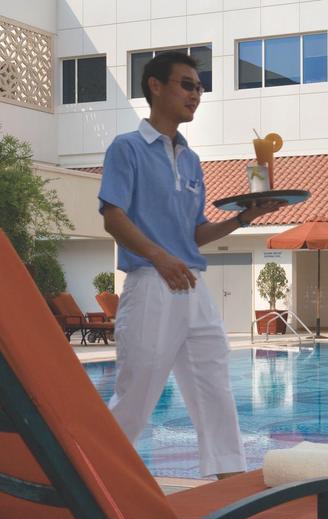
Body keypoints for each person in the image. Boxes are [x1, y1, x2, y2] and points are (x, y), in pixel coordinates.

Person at [98, 52, 270, 478]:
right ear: (155, 86)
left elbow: (195, 233)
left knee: (214, 384)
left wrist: (244, 218)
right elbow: (113, 216)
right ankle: (92, 478)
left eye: (200, 88)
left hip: (193, 285)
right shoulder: (127, 148)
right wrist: (159, 256)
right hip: (150, 282)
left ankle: (230, 476)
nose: (196, 94)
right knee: (137, 393)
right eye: (188, 85)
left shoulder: (191, 160)